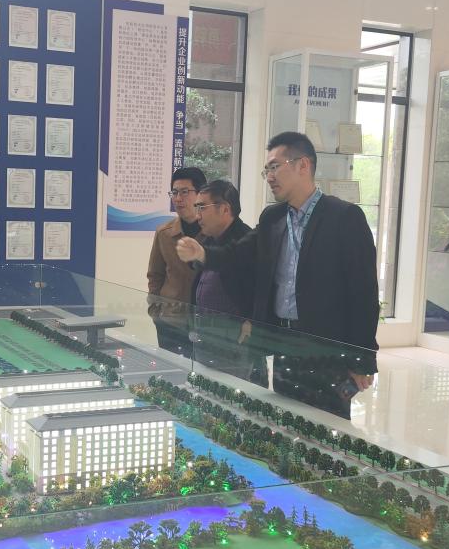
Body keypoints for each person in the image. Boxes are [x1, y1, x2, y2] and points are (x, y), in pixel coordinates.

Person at [176, 132, 379, 417]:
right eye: (266, 170)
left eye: (275, 167)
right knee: (286, 420)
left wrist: (362, 359)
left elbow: (364, 294)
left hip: (327, 349)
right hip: (283, 343)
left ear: (303, 165)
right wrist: (203, 254)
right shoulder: (273, 217)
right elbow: (239, 253)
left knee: (326, 426)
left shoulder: (343, 217)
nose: (269, 177)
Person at [188, 180, 254, 380]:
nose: (197, 215)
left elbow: (260, 289)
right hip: (204, 332)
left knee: (229, 393)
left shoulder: (246, 241)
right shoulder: (208, 239)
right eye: (196, 207)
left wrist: (251, 320)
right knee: (203, 388)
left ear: (225, 209)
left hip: (232, 338)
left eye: (202, 207)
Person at [147, 166, 207, 356]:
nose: (178, 198)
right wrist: (155, 312)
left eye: (184, 192)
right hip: (171, 321)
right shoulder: (164, 233)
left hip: (207, 323)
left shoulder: (213, 232)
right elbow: (155, 275)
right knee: (172, 370)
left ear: (200, 194)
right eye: (174, 192)